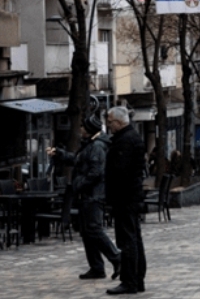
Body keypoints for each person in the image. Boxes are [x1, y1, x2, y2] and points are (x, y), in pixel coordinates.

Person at [48, 115, 122, 281]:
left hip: (94, 195)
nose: (80, 129)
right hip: (87, 194)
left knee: (94, 229)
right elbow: (77, 160)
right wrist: (59, 153)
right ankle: (96, 267)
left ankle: (117, 257)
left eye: (82, 127)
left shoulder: (97, 146)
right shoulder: (89, 145)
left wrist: (78, 184)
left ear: (89, 130)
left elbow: (96, 172)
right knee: (87, 232)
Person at [104, 106, 147, 294]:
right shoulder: (132, 138)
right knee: (134, 238)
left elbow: (119, 172)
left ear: (119, 122)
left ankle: (130, 280)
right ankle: (137, 279)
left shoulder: (125, 141)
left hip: (125, 197)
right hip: (131, 196)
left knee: (127, 240)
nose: (108, 125)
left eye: (110, 121)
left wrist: (112, 195)